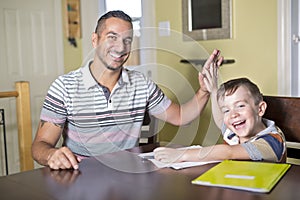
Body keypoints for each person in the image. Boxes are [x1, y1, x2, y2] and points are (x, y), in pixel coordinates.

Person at [31, 10, 223, 170]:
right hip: (81, 178)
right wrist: (51, 155)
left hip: (127, 176)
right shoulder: (64, 86)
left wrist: (204, 90)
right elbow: (40, 146)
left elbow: (181, 116)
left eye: (127, 40)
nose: (121, 47)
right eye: (112, 37)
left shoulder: (142, 84)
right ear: (95, 40)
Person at [154, 77, 287, 163]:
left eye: (240, 106)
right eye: (227, 110)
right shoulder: (234, 133)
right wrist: (213, 90)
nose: (233, 114)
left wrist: (182, 155)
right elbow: (220, 119)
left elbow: (228, 152)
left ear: (260, 109)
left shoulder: (272, 141)